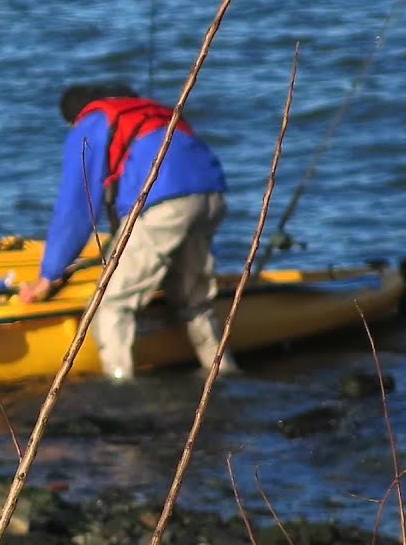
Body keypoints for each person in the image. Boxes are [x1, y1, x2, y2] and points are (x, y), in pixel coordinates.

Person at [16, 82, 239, 381]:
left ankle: (121, 390)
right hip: (212, 196)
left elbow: (77, 208)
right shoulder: (155, 112)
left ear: (74, 118)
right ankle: (223, 373)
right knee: (194, 300)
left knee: (111, 306)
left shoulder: (91, 124)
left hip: (166, 205)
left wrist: (47, 277)